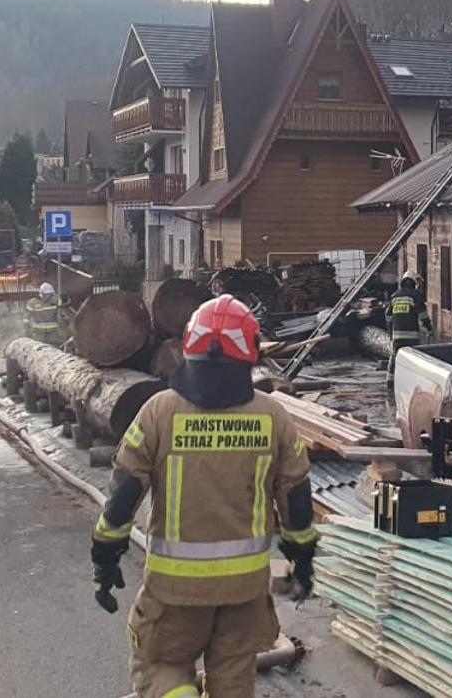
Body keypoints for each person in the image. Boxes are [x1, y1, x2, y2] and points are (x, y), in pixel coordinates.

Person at [90, 295, 316, 698]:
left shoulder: (160, 411)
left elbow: (125, 491)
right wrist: (302, 562)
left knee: (158, 666)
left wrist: (106, 555)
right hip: (244, 591)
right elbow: (296, 498)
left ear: (190, 345)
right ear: (250, 350)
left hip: (174, 591)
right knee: (233, 679)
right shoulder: (273, 416)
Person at [388, 276, 431, 352]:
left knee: (398, 357)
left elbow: (389, 317)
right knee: (412, 357)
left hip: (396, 336)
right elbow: (423, 314)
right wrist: (429, 328)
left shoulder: (394, 296)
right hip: (411, 336)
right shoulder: (415, 295)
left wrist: (391, 334)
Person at [27, 282, 67, 346]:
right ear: (41, 294)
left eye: (50, 294)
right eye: (46, 294)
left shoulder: (56, 300)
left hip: (52, 331)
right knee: (39, 347)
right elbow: (27, 315)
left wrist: (64, 322)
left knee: (54, 347)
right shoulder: (33, 302)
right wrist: (26, 326)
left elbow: (61, 312)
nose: (48, 297)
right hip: (38, 332)